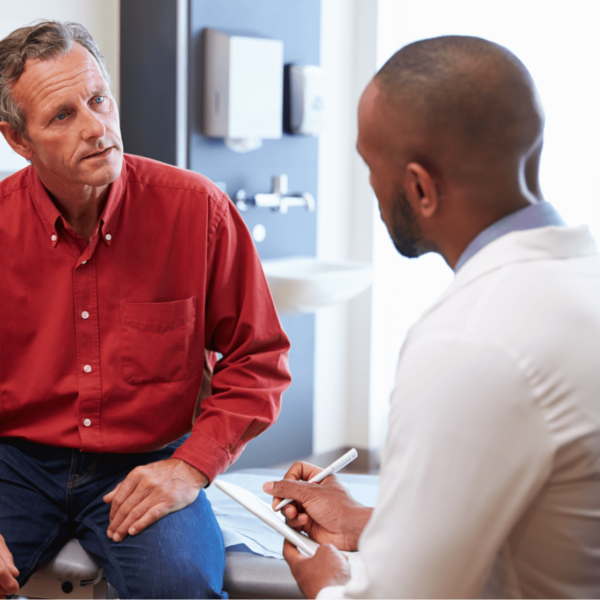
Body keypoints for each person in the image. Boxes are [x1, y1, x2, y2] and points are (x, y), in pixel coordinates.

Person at [263, 35, 600, 598]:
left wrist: (325, 588)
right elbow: (545, 518)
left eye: (370, 166)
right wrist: (366, 523)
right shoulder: (578, 280)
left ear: (419, 187)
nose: (370, 187)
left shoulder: (470, 339)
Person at [0, 20, 291, 599]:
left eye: (98, 100)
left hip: (146, 460)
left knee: (180, 584)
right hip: (14, 463)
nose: (96, 129)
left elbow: (258, 360)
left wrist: (191, 466)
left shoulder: (198, 210)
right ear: (19, 141)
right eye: (63, 116)